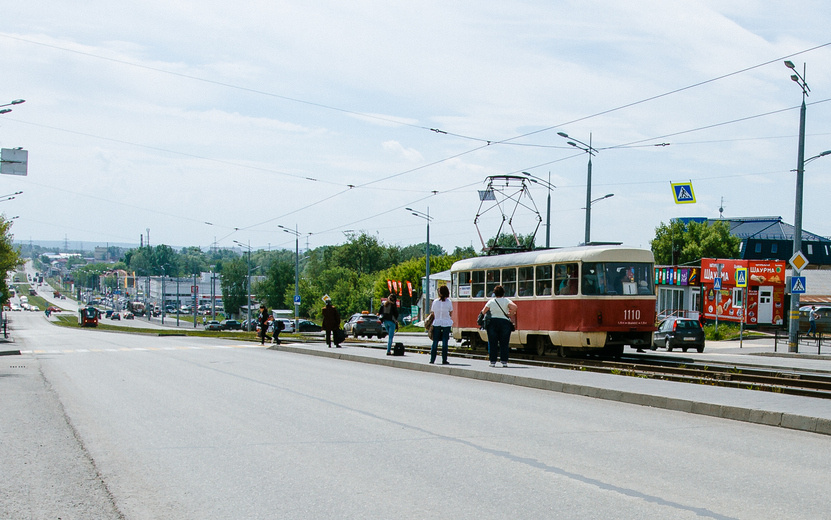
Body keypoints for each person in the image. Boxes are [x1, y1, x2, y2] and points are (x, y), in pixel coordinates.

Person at [479, 285, 517, 368]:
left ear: (494, 293)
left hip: (493, 323)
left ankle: (492, 361)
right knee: (504, 342)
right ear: (503, 293)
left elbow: (484, 311)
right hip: (504, 323)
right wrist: (510, 314)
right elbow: (514, 307)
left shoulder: (491, 301)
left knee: (492, 342)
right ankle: (504, 361)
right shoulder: (506, 300)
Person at [429, 285, 453, 365]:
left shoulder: (435, 302)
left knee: (435, 341)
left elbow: (433, 313)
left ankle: (432, 359)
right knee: (445, 342)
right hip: (446, 323)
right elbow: (451, 313)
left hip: (437, 323)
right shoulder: (449, 302)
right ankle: (444, 360)